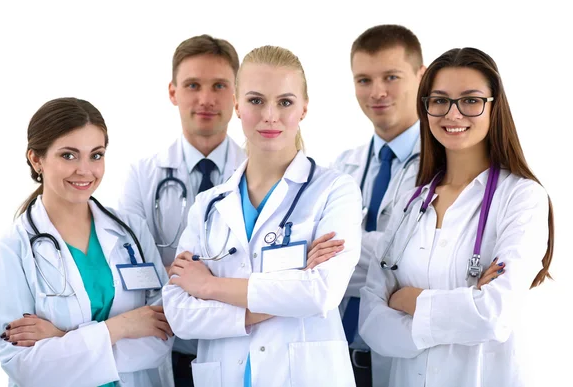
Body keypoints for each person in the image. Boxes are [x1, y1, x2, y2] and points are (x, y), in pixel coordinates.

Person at [163, 45, 362, 387]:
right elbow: (180, 315)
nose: (270, 115)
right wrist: (292, 283)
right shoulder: (209, 206)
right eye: (256, 101)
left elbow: (321, 293)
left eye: (285, 102)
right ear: (238, 106)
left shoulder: (335, 191)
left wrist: (210, 286)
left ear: (304, 108)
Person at [358, 47, 554, 387]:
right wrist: (462, 308)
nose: (453, 114)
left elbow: (493, 313)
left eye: (471, 100)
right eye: (440, 100)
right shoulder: (410, 202)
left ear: (495, 106)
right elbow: (373, 325)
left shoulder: (522, 197)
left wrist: (407, 300)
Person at [0, 97, 174, 387]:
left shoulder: (131, 231)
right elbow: (24, 366)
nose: (85, 170)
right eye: (69, 156)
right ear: (36, 159)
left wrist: (62, 340)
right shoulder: (9, 250)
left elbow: (162, 337)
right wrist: (120, 327)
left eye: (96, 155)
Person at [118, 34, 246, 386]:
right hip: (170, 345)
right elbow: (131, 270)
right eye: (193, 85)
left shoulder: (259, 173)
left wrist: (186, 277)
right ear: (173, 92)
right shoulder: (143, 175)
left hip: (241, 346)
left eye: (219, 85)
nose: (206, 99)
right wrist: (218, 283)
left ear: (236, 95)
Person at [332, 24, 425, 386]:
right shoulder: (341, 166)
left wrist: (344, 252)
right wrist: (384, 256)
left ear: (422, 76)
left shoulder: (444, 168)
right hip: (336, 356)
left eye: (391, 77)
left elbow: (414, 269)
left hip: (402, 359)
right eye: (364, 80)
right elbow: (314, 263)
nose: (377, 92)